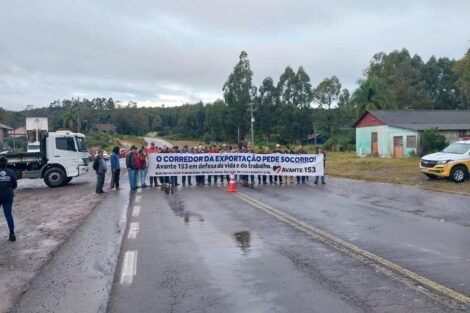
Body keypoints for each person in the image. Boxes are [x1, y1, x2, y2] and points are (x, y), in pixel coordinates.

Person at [0, 157, 17, 241]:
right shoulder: (11, 172)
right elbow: (15, 185)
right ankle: (12, 234)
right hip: (8, 195)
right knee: (8, 214)